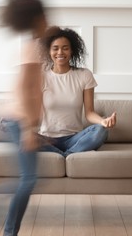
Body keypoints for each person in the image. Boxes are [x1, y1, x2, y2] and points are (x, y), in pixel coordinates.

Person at [0, 0, 47, 236]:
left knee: (29, 178)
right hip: (18, 121)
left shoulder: (33, 44)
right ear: (38, 19)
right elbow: (24, 89)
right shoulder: (33, 48)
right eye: (46, 16)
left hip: (18, 120)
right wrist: (29, 129)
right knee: (28, 179)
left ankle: (9, 234)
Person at [38, 26, 116, 157]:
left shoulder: (84, 75)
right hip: (47, 138)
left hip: (74, 139)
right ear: (49, 51)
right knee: (19, 134)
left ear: (72, 50)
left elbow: (90, 113)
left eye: (65, 48)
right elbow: (35, 114)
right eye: (55, 48)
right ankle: (69, 156)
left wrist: (103, 121)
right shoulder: (42, 77)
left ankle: (65, 154)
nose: (60, 52)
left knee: (101, 130)